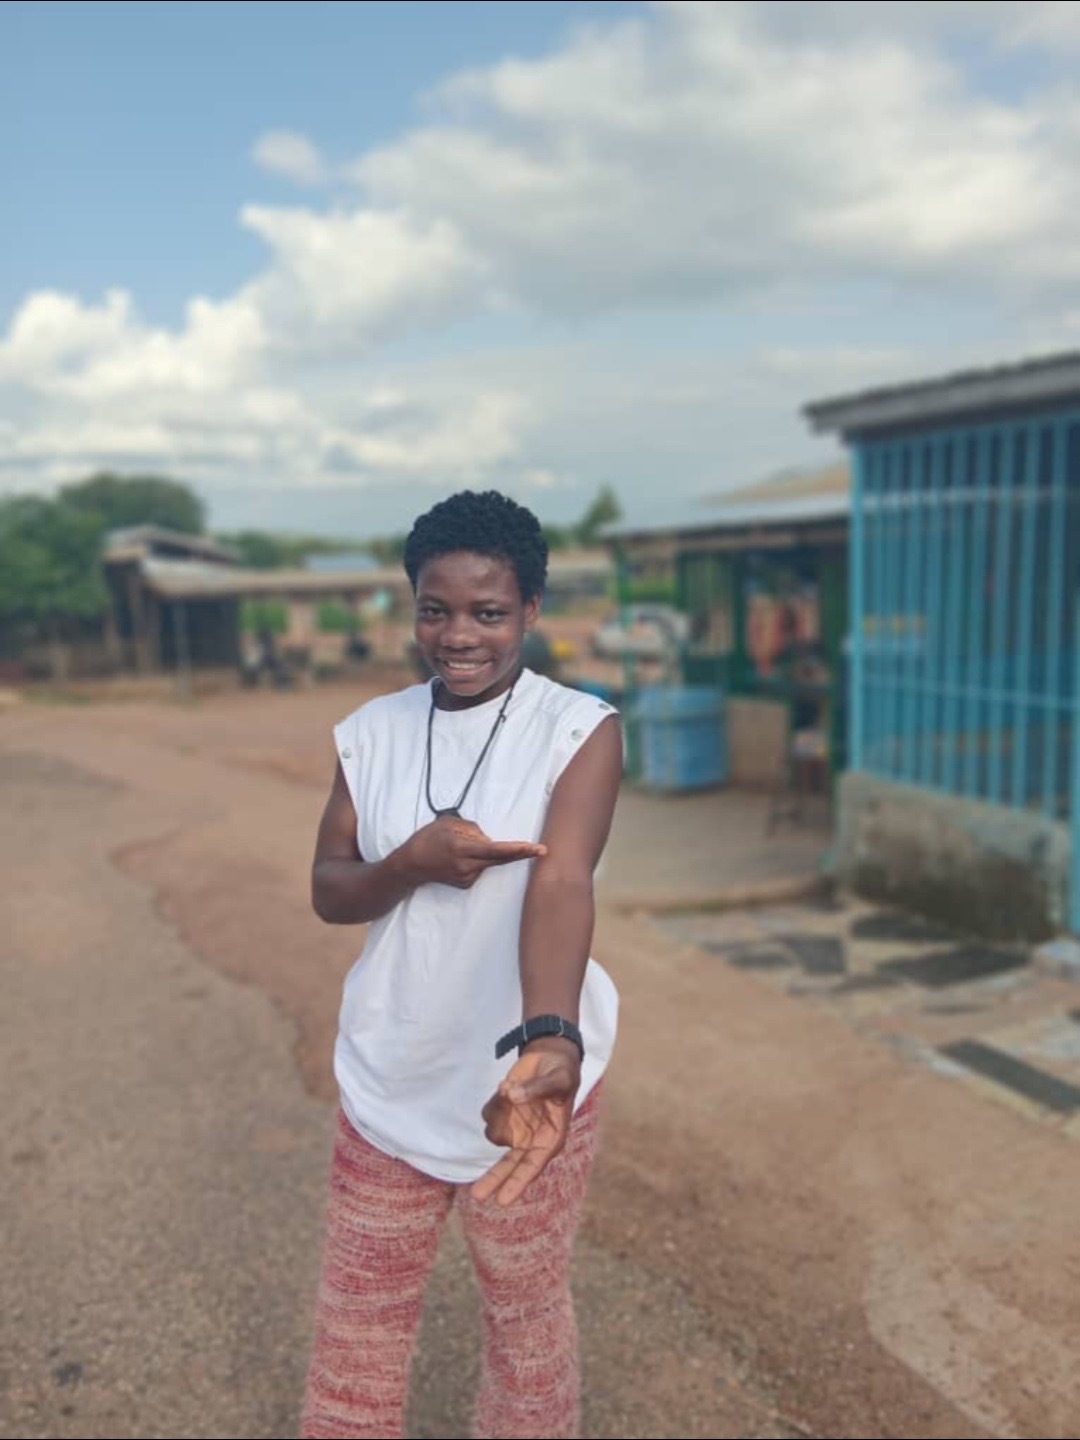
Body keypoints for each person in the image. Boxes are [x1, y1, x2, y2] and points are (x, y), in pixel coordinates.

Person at [300, 489, 623, 1440]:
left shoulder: (578, 729)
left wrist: (551, 1040)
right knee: (356, 1334)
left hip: (523, 1088)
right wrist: (409, 865)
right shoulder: (372, 732)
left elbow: (562, 882)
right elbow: (330, 888)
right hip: (388, 1078)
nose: (458, 636)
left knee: (526, 1328)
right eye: (434, 610)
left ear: (530, 610)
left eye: (488, 612)